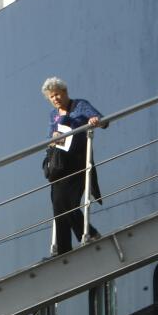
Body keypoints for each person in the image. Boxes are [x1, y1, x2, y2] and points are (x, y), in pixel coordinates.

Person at [43, 76, 106, 254]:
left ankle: (90, 233)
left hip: (77, 160)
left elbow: (103, 121)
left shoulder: (80, 105)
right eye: (51, 97)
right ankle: (63, 250)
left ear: (64, 92)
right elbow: (49, 139)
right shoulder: (53, 115)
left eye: (57, 94)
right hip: (59, 164)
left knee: (68, 203)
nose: (55, 99)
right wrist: (53, 138)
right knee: (57, 203)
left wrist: (95, 121)